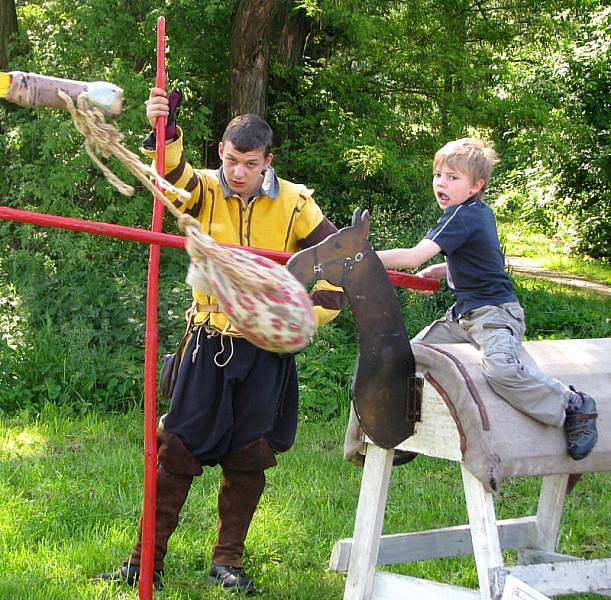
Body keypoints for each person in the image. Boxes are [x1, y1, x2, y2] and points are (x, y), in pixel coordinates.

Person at [95, 88, 344, 594]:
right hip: (209, 342)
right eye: (230, 160)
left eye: (249, 164)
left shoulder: (296, 204)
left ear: (267, 162)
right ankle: (146, 560)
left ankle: (228, 561)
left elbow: (339, 262)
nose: (237, 171)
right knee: (177, 450)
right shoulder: (204, 190)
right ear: (221, 155)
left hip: (266, 353)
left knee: (249, 455)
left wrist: (303, 317)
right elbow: (170, 179)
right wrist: (165, 128)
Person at [376, 137, 598, 462]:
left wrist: (362, 255)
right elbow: (476, 258)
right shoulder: (473, 213)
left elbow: (412, 257)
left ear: (475, 186)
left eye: (453, 178)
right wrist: (440, 271)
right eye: (439, 174)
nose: (442, 183)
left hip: (494, 314)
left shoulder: (461, 215)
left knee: (501, 371)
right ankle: (406, 431)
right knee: (408, 359)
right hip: (462, 318)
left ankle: (573, 405)